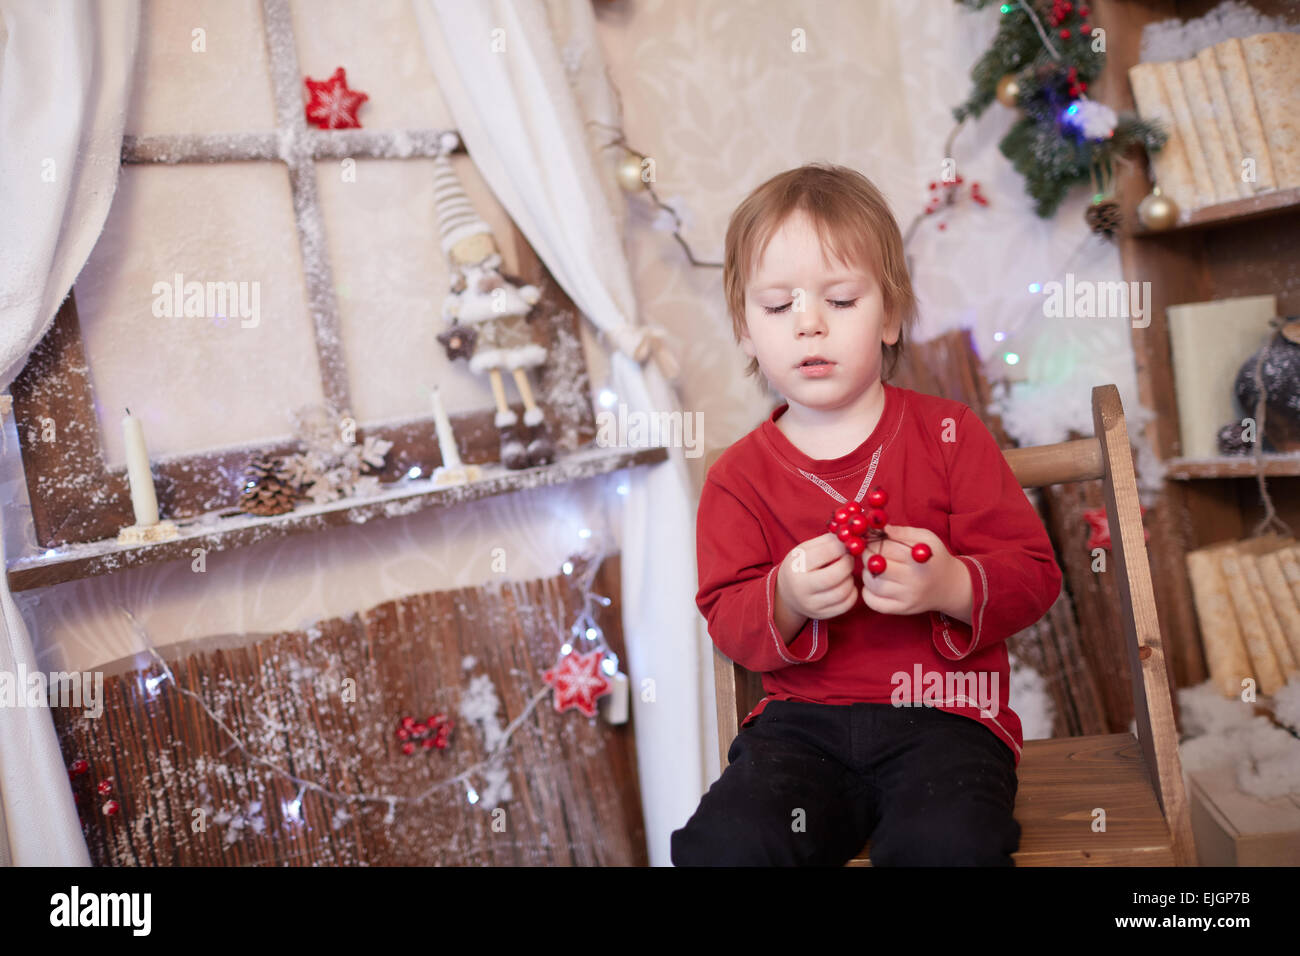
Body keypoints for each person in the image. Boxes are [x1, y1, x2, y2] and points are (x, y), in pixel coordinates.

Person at [671, 163, 1063, 866]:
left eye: (841, 299)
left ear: (889, 316)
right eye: (777, 304)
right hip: (800, 735)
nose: (809, 323)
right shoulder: (737, 475)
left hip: (947, 720)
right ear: (745, 326)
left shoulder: (951, 435)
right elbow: (730, 622)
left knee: (950, 845)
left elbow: (1034, 575)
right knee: (727, 845)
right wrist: (785, 598)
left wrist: (950, 586)